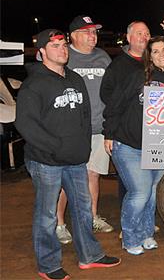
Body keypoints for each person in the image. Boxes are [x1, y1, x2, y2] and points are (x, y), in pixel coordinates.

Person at [15, 29, 120, 280]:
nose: (62, 49)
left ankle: (90, 256)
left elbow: (85, 116)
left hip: (75, 160)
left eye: (63, 44)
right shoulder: (34, 83)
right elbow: (26, 125)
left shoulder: (75, 79)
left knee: (84, 208)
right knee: (47, 213)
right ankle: (48, 264)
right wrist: (56, 147)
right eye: (54, 46)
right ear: (41, 52)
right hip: (46, 161)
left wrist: (82, 147)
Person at [101, 21, 164, 256]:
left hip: (157, 146)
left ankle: (146, 233)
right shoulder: (135, 74)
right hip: (128, 143)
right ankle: (130, 238)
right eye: (156, 51)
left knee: (150, 191)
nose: (161, 55)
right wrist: (109, 133)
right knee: (139, 192)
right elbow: (114, 103)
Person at [54, 15, 113, 246]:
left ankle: (91, 217)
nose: (92, 36)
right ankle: (59, 224)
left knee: (92, 175)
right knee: (67, 178)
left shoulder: (103, 56)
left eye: (94, 32)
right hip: (72, 131)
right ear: (73, 36)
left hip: (98, 128)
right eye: (87, 32)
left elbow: (112, 89)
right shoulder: (64, 56)